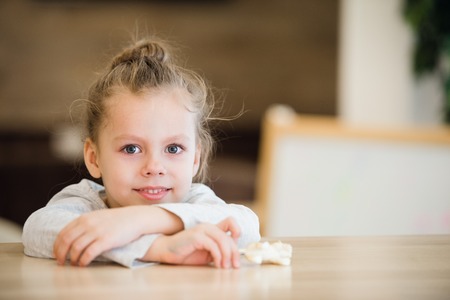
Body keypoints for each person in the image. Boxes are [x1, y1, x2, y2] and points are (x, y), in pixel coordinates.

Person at [22, 38, 260, 269]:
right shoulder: (85, 203)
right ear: (94, 158)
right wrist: (157, 247)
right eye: (131, 149)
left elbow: (247, 227)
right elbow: (37, 230)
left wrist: (141, 219)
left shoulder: (195, 201)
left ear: (195, 158)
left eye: (173, 149)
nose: (154, 166)